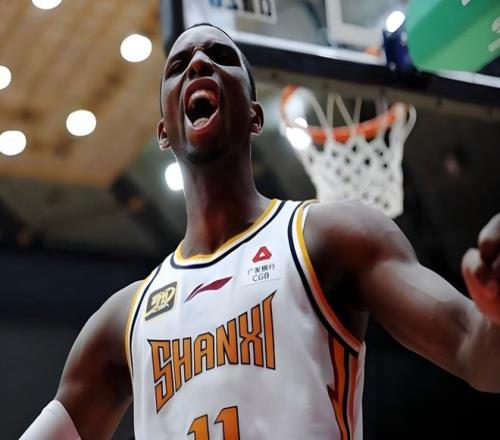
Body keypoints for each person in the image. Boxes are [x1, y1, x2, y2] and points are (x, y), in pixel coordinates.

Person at [22, 23, 500, 440]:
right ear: (163, 131)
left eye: (221, 56)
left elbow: (474, 350)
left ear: (255, 115)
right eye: (179, 65)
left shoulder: (330, 238)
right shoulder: (121, 322)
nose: (200, 64)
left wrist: (496, 316)